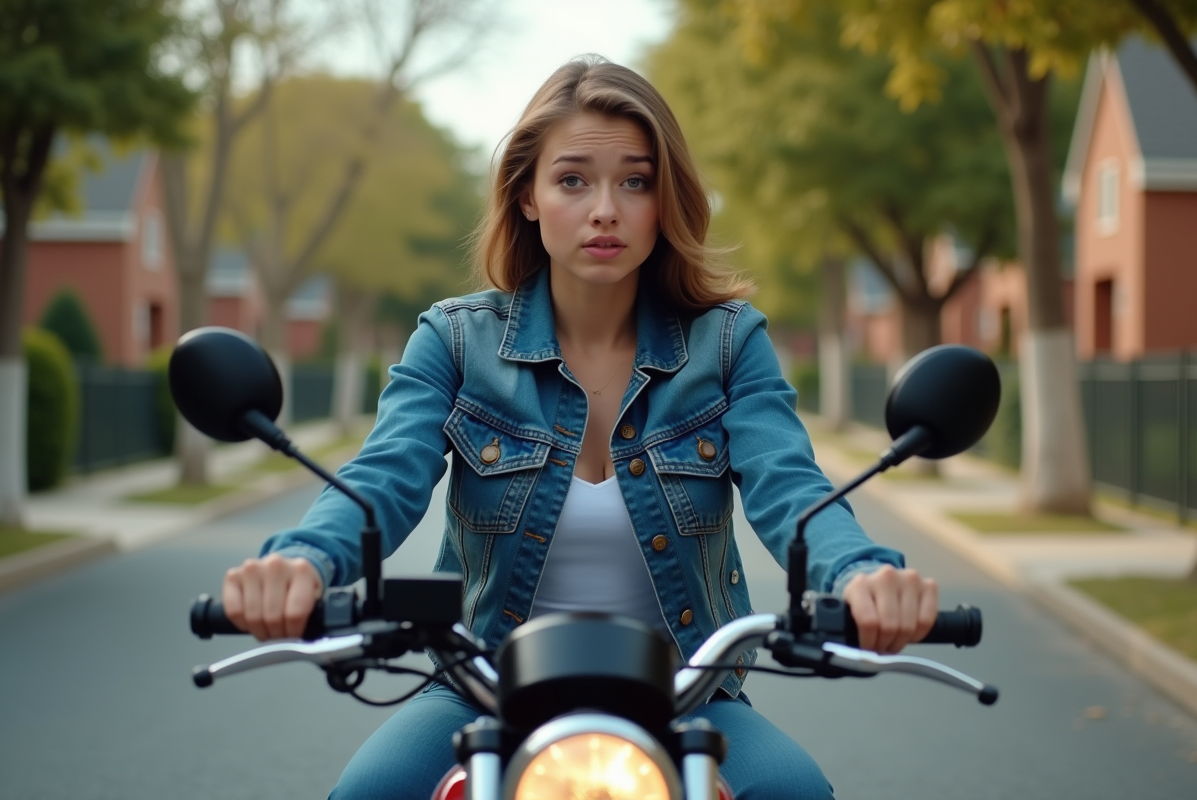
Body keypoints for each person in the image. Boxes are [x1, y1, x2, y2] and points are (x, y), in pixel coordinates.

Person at [219, 56, 940, 799]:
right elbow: (382, 477)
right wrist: (303, 563)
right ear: (526, 196)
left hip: (685, 689)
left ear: (666, 199)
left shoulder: (728, 344)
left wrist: (860, 575)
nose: (605, 209)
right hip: (483, 686)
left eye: (635, 180)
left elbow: (792, 490)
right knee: (370, 792)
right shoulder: (454, 341)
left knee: (796, 792)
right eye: (573, 180)